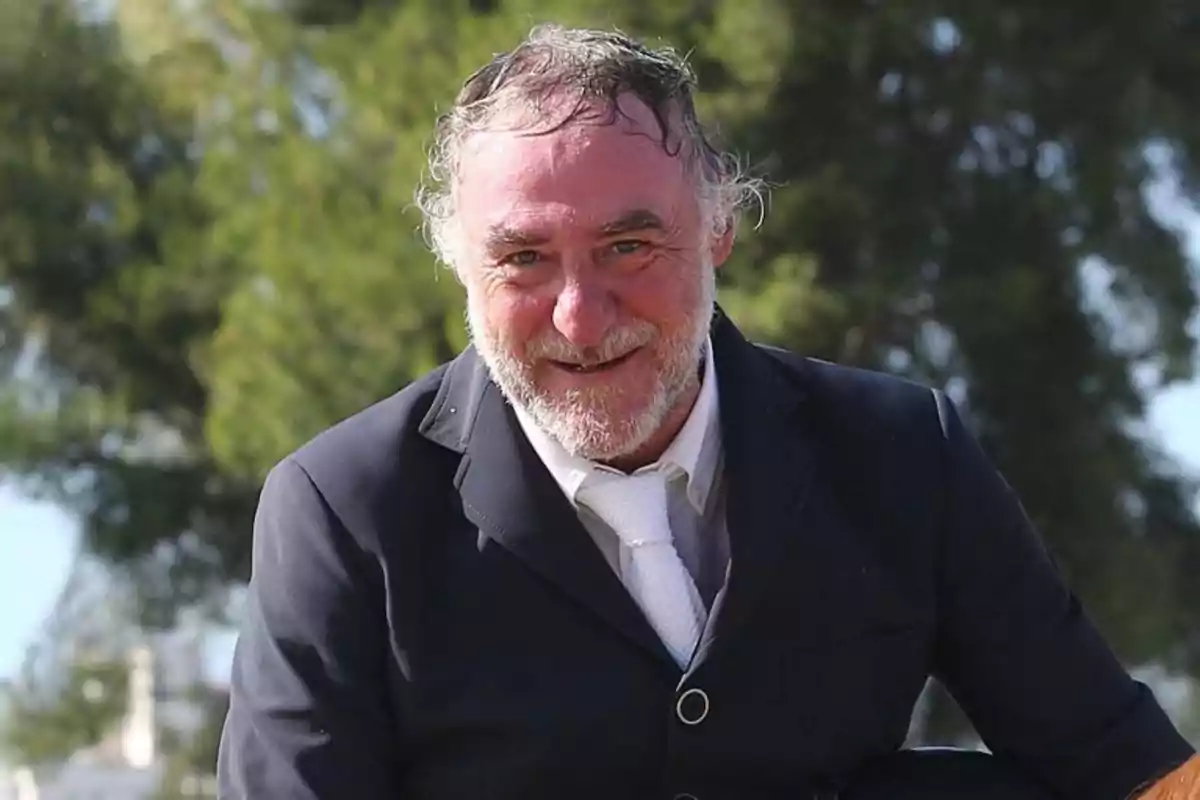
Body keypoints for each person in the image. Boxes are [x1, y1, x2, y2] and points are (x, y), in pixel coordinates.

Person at [216, 24, 1199, 800]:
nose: (579, 313)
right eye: (523, 259)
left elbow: (1122, 763)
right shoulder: (341, 510)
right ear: (458, 263)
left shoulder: (903, 454)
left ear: (719, 227)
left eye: (628, 247)